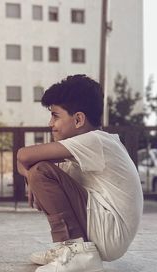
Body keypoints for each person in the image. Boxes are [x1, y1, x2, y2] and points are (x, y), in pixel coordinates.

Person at [17, 75, 143, 272]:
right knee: (39, 172)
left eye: (56, 116)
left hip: (111, 231)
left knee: (41, 171)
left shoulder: (96, 141)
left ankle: (77, 252)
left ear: (78, 119)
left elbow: (23, 155)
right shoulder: (82, 150)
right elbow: (25, 163)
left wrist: (31, 174)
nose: (50, 123)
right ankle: (66, 250)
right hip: (106, 230)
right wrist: (30, 177)